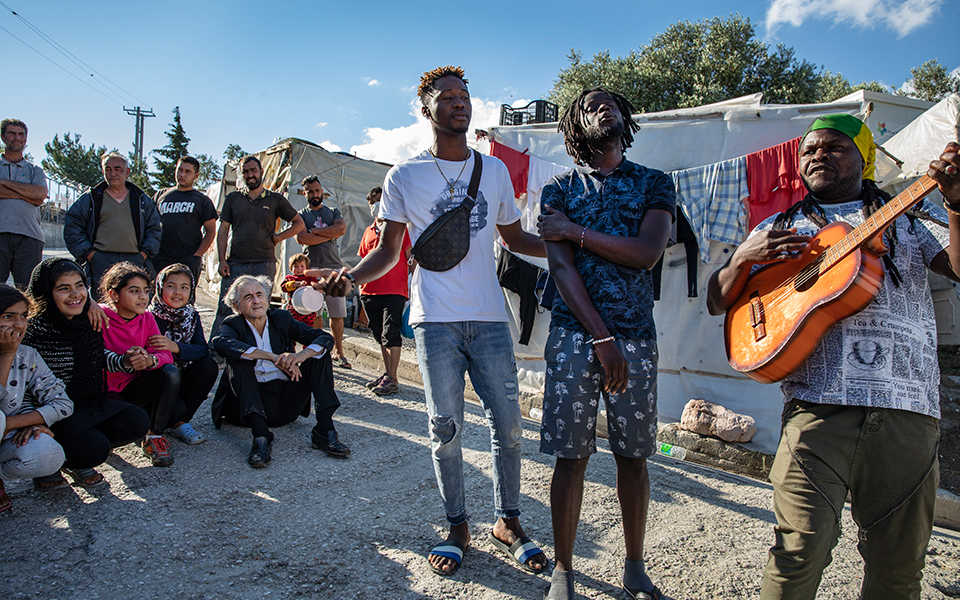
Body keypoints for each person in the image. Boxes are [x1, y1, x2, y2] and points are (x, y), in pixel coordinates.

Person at [706, 114, 960, 600]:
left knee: (898, 568)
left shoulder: (909, 217)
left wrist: (955, 203)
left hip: (908, 408)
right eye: (809, 150)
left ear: (864, 158)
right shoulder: (777, 226)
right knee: (796, 556)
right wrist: (741, 258)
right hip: (815, 410)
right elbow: (721, 302)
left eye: (834, 147)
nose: (817, 155)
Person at [323, 66, 548, 576]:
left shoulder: (493, 172)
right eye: (446, 97)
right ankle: (457, 525)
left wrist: (569, 248)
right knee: (444, 428)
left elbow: (514, 239)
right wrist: (351, 276)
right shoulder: (404, 176)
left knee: (509, 427)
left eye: (464, 96)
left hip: (490, 318)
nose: (458, 103)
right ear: (427, 110)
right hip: (433, 321)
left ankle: (508, 521)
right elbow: (388, 252)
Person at [536, 88, 675, 600]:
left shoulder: (654, 183)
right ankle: (564, 571)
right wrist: (600, 336)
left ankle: (635, 567)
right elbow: (560, 268)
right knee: (571, 456)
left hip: (636, 335)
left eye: (611, 103)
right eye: (591, 105)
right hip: (576, 336)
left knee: (634, 456)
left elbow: (646, 254)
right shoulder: (557, 189)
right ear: (576, 123)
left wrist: (573, 230)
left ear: (626, 117)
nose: (604, 108)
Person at [24, 258, 150, 489]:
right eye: (63, 288)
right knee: (94, 448)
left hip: (82, 404)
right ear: (46, 292)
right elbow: (20, 386)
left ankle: (72, 452)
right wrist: (30, 422)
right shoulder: (31, 331)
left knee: (136, 420)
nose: (75, 294)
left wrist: (125, 361)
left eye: (80, 285)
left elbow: (98, 358)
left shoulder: (86, 320)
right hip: (46, 415)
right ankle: (49, 463)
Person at [211, 275, 348, 467]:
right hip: (247, 408)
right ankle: (261, 437)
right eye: (248, 297)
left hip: (284, 403)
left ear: (267, 299)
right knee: (238, 358)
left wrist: (299, 357)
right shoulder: (232, 324)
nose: (256, 300)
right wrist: (271, 356)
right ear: (236, 306)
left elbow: (322, 337)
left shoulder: (281, 318)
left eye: (259, 294)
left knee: (319, 353)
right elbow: (220, 343)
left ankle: (325, 430)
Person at [211, 156, 304, 341]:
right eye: (245, 172)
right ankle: (216, 348)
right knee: (226, 308)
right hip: (235, 262)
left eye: (253, 170)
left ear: (261, 172)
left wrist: (278, 238)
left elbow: (298, 223)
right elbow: (222, 231)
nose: (249, 175)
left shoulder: (275, 199)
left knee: (259, 308)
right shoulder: (233, 198)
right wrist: (222, 260)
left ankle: (259, 347)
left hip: (264, 263)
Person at [98, 262, 181, 467]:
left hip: (132, 388)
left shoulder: (146, 318)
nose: (143, 297)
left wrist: (149, 360)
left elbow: (165, 356)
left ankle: (154, 437)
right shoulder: (100, 315)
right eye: (134, 291)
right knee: (100, 442)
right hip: (103, 392)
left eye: (146, 291)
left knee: (170, 372)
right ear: (114, 294)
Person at [0, 284, 71, 512]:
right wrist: (6, 354)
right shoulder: (13, 352)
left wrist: (27, 422)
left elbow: (62, 403)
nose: (19, 325)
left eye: (23, 316)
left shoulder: (27, 355)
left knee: (49, 455)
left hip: (7, 435)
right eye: (8, 316)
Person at [64, 152, 162, 293]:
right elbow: (72, 225)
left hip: (134, 260)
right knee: (103, 305)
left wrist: (144, 254)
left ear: (127, 172)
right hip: (101, 260)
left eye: (118, 169)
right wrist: (90, 255)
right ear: (103, 171)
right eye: (108, 169)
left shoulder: (141, 200)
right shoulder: (91, 199)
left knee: (134, 303)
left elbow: (154, 229)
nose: (113, 173)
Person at [147, 264, 218, 445]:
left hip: (181, 377)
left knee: (208, 366)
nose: (177, 292)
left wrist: (174, 347)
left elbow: (202, 349)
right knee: (170, 376)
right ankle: (153, 429)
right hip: (155, 383)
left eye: (184, 287)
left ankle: (180, 422)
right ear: (160, 287)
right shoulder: (148, 316)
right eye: (171, 286)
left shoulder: (191, 315)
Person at [294, 175, 350, 368]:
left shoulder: (333, 211)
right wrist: (329, 233)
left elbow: (341, 228)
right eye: (310, 191)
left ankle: (339, 352)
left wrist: (314, 232)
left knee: (337, 314)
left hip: (334, 269)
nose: (315, 194)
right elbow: (302, 239)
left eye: (317, 190)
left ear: (321, 191)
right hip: (311, 270)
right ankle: (317, 351)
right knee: (314, 314)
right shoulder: (301, 216)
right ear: (304, 193)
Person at [356, 207, 412, 396]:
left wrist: (419, 284)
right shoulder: (368, 231)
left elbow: (410, 257)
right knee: (380, 334)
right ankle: (388, 375)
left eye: (379, 201)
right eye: (372, 202)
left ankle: (392, 378)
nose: (376, 205)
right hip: (370, 291)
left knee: (391, 332)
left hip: (395, 289)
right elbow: (365, 259)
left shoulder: (400, 229)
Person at [152, 156, 218, 283]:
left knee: (183, 297)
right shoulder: (161, 195)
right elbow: (149, 223)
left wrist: (196, 256)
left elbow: (210, 232)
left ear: (196, 176)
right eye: (180, 170)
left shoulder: (202, 200)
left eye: (188, 172)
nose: (182, 174)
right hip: (160, 258)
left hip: (187, 258)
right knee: (156, 295)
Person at [0, 119, 48, 289]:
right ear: (3, 137)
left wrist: (5, 183)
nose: (17, 138)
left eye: (21, 134)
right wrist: (28, 194)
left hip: (30, 238)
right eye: (12, 133)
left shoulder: (35, 170)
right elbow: (35, 196)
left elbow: (41, 194)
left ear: (26, 139)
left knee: (29, 292)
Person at [280, 253, 321, 327]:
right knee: (293, 328)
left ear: (306, 267)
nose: (299, 269)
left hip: (308, 311)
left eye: (302, 266)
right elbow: (283, 287)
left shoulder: (310, 278)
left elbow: (316, 287)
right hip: (294, 310)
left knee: (308, 330)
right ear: (291, 268)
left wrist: (319, 289)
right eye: (296, 266)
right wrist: (295, 284)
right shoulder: (289, 278)